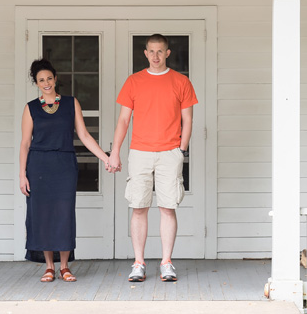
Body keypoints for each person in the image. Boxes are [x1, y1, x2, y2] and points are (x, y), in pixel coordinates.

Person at [108, 34, 197, 283]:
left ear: (167, 53)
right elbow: (124, 120)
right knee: (139, 207)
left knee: (168, 208)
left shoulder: (181, 81)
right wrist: (115, 151)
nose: (156, 56)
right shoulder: (134, 82)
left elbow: (187, 119)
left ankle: (166, 262)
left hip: (170, 152)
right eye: (151, 51)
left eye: (160, 51)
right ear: (145, 53)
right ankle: (139, 263)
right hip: (140, 151)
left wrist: (181, 150)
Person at [19, 58, 110, 283]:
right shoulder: (31, 108)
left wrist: (105, 157)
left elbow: (84, 135)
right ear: (36, 83)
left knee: (64, 214)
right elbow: (25, 143)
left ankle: (65, 267)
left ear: (56, 78)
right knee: (43, 215)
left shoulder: (71, 103)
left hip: (64, 166)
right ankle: (49, 267)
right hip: (38, 166)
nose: (46, 83)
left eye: (49, 78)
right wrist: (22, 174)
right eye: (41, 80)